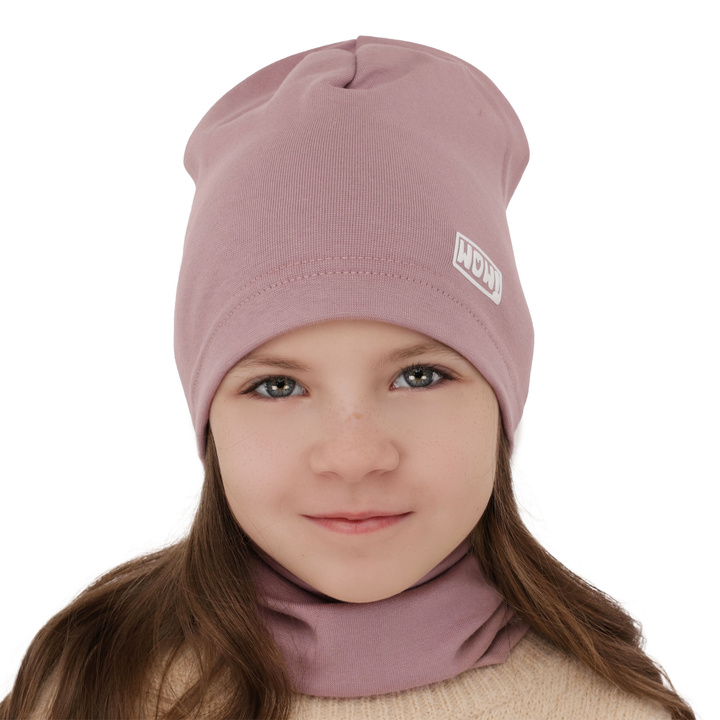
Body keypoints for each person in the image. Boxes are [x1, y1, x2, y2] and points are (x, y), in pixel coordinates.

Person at [0, 36, 694, 720]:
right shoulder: (86, 692)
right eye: (278, 386)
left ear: (503, 400)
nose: (355, 457)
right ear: (209, 420)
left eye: (419, 376)